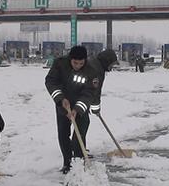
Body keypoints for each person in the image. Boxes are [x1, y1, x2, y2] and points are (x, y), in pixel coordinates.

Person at [45, 46, 98, 174]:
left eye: (81, 63)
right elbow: (50, 81)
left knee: (79, 135)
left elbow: (89, 93)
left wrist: (77, 109)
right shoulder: (60, 64)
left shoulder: (91, 71)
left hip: (81, 107)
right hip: (63, 105)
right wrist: (60, 99)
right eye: (75, 62)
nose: (78, 66)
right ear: (70, 59)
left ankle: (78, 164)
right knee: (63, 134)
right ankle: (67, 163)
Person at [87, 49, 119, 116]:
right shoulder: (98, 70)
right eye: (111, 65)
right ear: (107, 61)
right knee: (82, 122)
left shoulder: (94, 62)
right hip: (75, 98)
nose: (111, 68)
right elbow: (95, 90)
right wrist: (96, 108)